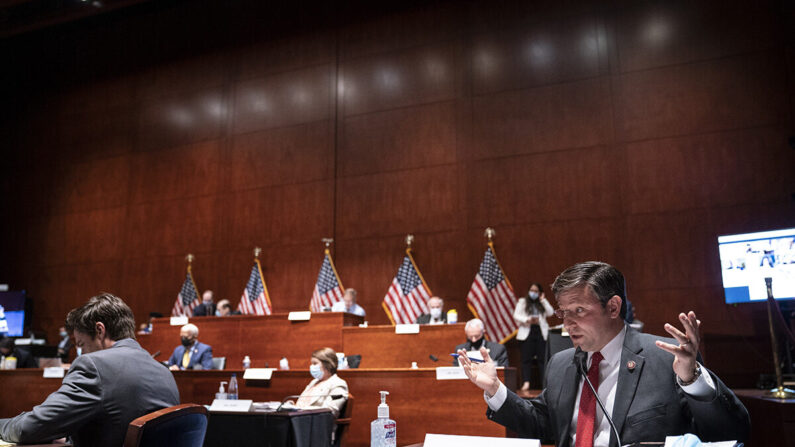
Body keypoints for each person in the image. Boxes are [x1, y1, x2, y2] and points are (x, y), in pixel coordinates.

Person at [457, 261, 750, 446]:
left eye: (579, 311)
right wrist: (495, 389)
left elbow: (728, 433)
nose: (567, 323)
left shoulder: (666, 358)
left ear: (613, 307)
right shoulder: (561, 363)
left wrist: (693, 379)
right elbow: (542, 423)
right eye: (563, 312)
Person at [0, 293, 179, 446]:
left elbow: (29, 428)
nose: (81, 353)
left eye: (81, 344)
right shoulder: (163, 371)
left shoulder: (94, 366)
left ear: (99, 330)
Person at [513, 283, 554, 391]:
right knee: (526, 360)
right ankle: (526, 383)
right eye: (532, 290)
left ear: (539, 293)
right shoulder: (523, 302)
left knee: (542, 360)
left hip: (540, 333)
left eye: (536, 291)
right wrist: (527, 319)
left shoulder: (541, 302)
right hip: (527, 333)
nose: (533, 293)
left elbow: (550, 312)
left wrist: (543, 300)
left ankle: (544, 384)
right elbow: (516, 315)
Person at [294, 347, 349, 417]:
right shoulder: (314, 382)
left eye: (315, 363)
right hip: (300, 420)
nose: (311, 367)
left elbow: (330, 411)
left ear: (327, 364)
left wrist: (303, 410)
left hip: (317, 424)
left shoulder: (338, 384)